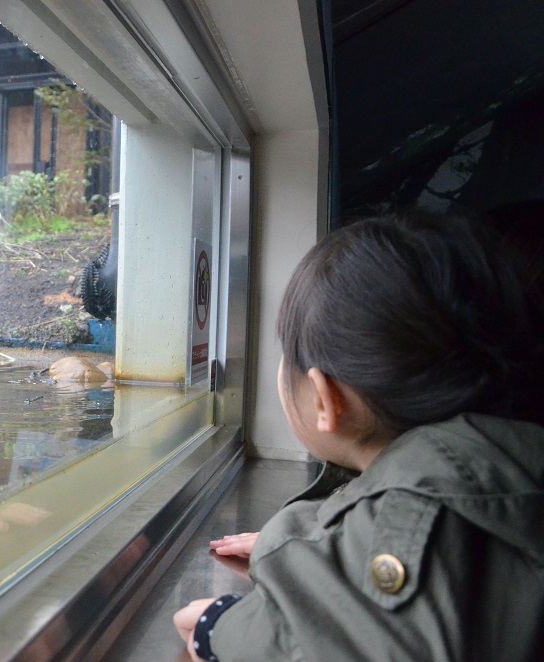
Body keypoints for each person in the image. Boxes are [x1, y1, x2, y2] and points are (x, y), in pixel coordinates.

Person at [173, 211, 544, 661]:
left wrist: (221, 629)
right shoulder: (512, 457)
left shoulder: (407, 512)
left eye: (287, 355)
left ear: (328, 400)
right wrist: (322, 544)